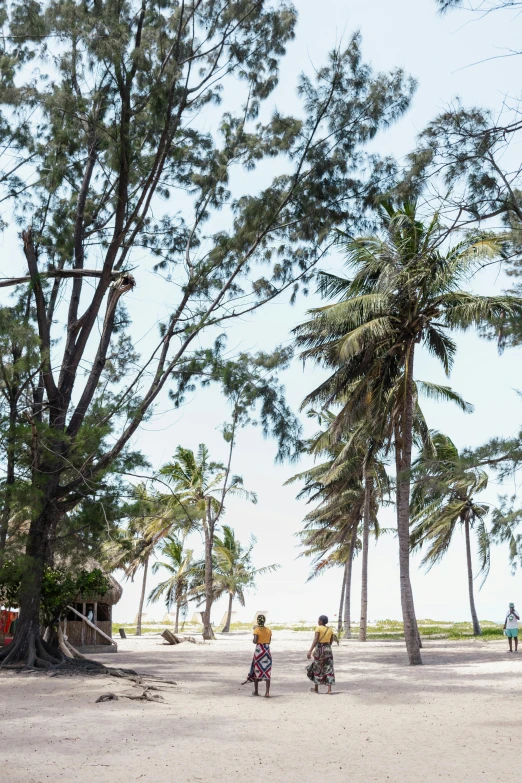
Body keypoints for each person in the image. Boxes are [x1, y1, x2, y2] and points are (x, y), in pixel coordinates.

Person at [243, 614, 272, 697]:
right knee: (267, 671)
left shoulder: (256, 630)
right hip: (266, 651)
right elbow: (269, 642)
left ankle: (256, 691)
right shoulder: (269, 630)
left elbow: (255, 641)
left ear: (258, 621)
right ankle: (267, 692)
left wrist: (255, 634)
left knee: (257, 671)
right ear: (264, 621)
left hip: (259, 652)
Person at [307, 614, 336, 695]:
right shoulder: (330, 629)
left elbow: (316, 639)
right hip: (328, 649)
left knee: (317, 667)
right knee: (329, 668)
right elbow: (330, 641)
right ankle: (329, 690)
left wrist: (310, 651)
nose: (318, 621)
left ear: (321, 621)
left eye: (318, 620)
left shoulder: (318, 628)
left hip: (319, 649)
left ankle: (316, 688)